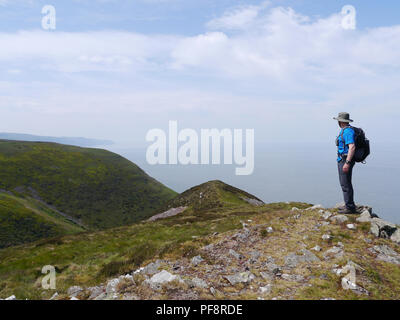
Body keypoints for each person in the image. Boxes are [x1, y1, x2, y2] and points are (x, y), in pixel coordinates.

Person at [333, 112, 357, 214]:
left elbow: (352, 147)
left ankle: (350, 207)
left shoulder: (347, 132)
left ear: (341, 121)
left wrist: (347, 162)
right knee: (345, 183)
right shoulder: (345, 130)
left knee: (345, 184)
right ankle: (348, 204)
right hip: (342, 159)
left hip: (345, 160)